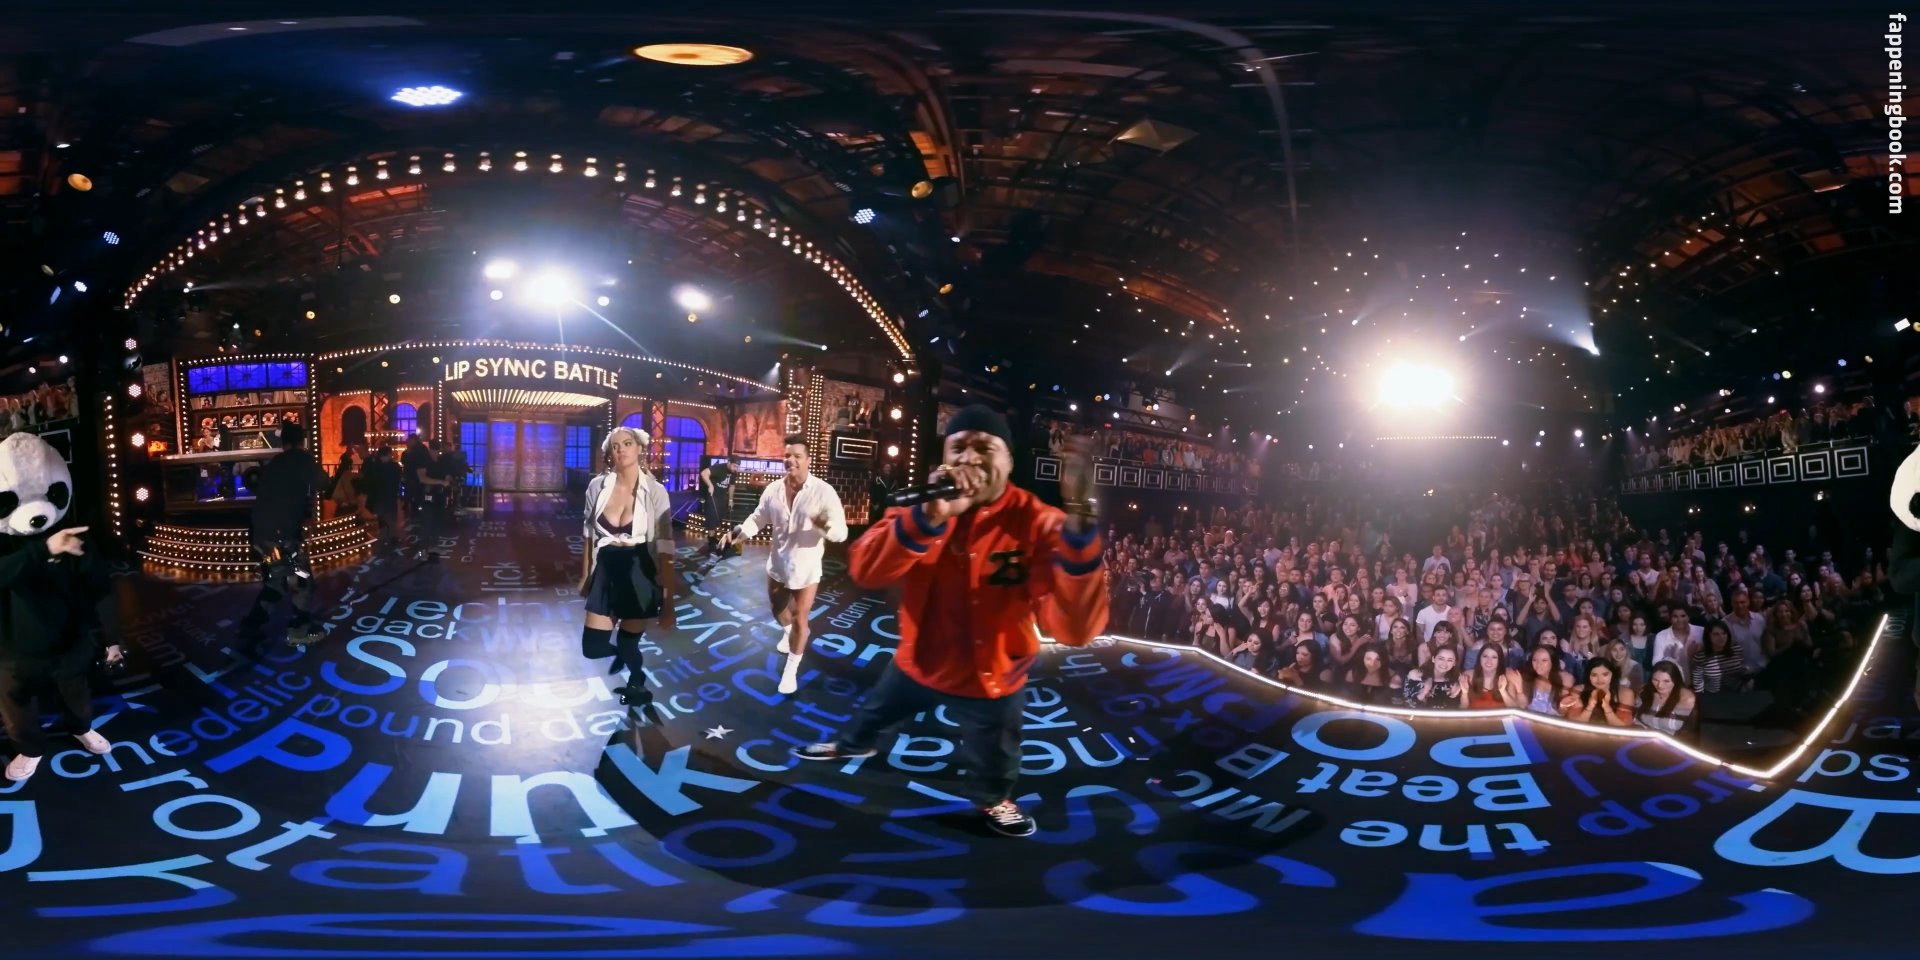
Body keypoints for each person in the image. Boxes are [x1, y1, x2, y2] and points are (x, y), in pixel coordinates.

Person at [791, 405, 1107, 838]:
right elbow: (866, 570)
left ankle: (994, 800)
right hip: (919, 661)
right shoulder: (925, 504)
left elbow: (1075, 630)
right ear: (944, 458)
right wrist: (929, 518)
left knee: (996, 754)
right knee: (875, 712)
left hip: (993, 675)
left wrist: (1082, 528)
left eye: (985, 448)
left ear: (1009, 462)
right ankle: (851, 746)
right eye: (959, 448)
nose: (970, 459)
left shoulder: (1038, 522)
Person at [719, 435, 849, 695]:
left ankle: (791, 670)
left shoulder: (823, 492)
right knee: (777, 608)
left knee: (801, 619)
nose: (791, 460)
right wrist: (738, 534)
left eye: (797, 456)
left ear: (808, 460)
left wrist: (824, 525)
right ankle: (788, 632)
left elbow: (842, 533)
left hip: (806, 568)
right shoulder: (773, 490)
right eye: (787, 455)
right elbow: (758, 518)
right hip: (778, 563)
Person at [579, 427, 676, 709]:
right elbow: (588, 534)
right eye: (615, 445)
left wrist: (668, 602)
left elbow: (665, 548)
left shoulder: (655, 491)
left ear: (640, 448)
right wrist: (585, 574)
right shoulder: (597, 486)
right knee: (593, 647)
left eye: (627, 443)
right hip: (606, 568)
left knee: (628, 643)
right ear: (610, 452)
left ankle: (637, 680)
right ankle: (625, 660)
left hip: (640, 570)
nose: (621, 449)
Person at [239, 422, 329, 648]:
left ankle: (250, 626)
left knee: (275, 581)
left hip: (261, 536)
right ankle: (299, 631)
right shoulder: (301, 458)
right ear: (302, 441)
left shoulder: (274, 462)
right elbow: (323, 482)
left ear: (283, 441)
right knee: (301, 581)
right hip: (282, 536)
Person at [361, 446, 404, 550]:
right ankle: (391, 536)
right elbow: (399, 478)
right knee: (390, 515)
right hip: (390, 494)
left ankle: (384, 537)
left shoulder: (374, 466)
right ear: (388, 454)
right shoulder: (393, 466)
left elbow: (368, 479)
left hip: (378, 495)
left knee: (381, 516)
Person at [699, 456, 737, 556]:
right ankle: (711, 540)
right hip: (713, 496)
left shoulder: (733, 472)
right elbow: (704, 473)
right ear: (729, 462)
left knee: (718, 518)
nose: (735, 468)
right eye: (734, 465)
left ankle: (713, 538)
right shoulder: (719, 468)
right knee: (712, 518)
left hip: (722, 498)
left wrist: (730, 500)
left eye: (737, 466)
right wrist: (710, 485)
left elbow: (732, 486)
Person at [868, 461, 902, 526]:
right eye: (886, 467)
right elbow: (872, 491)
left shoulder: (894, 481)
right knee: (878, 523)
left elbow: (896, 493)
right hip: (879, 505)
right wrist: (874, 503)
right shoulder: (877, 479)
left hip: (890, 506)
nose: (888, 469)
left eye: (889, 467)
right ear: (883, 468)